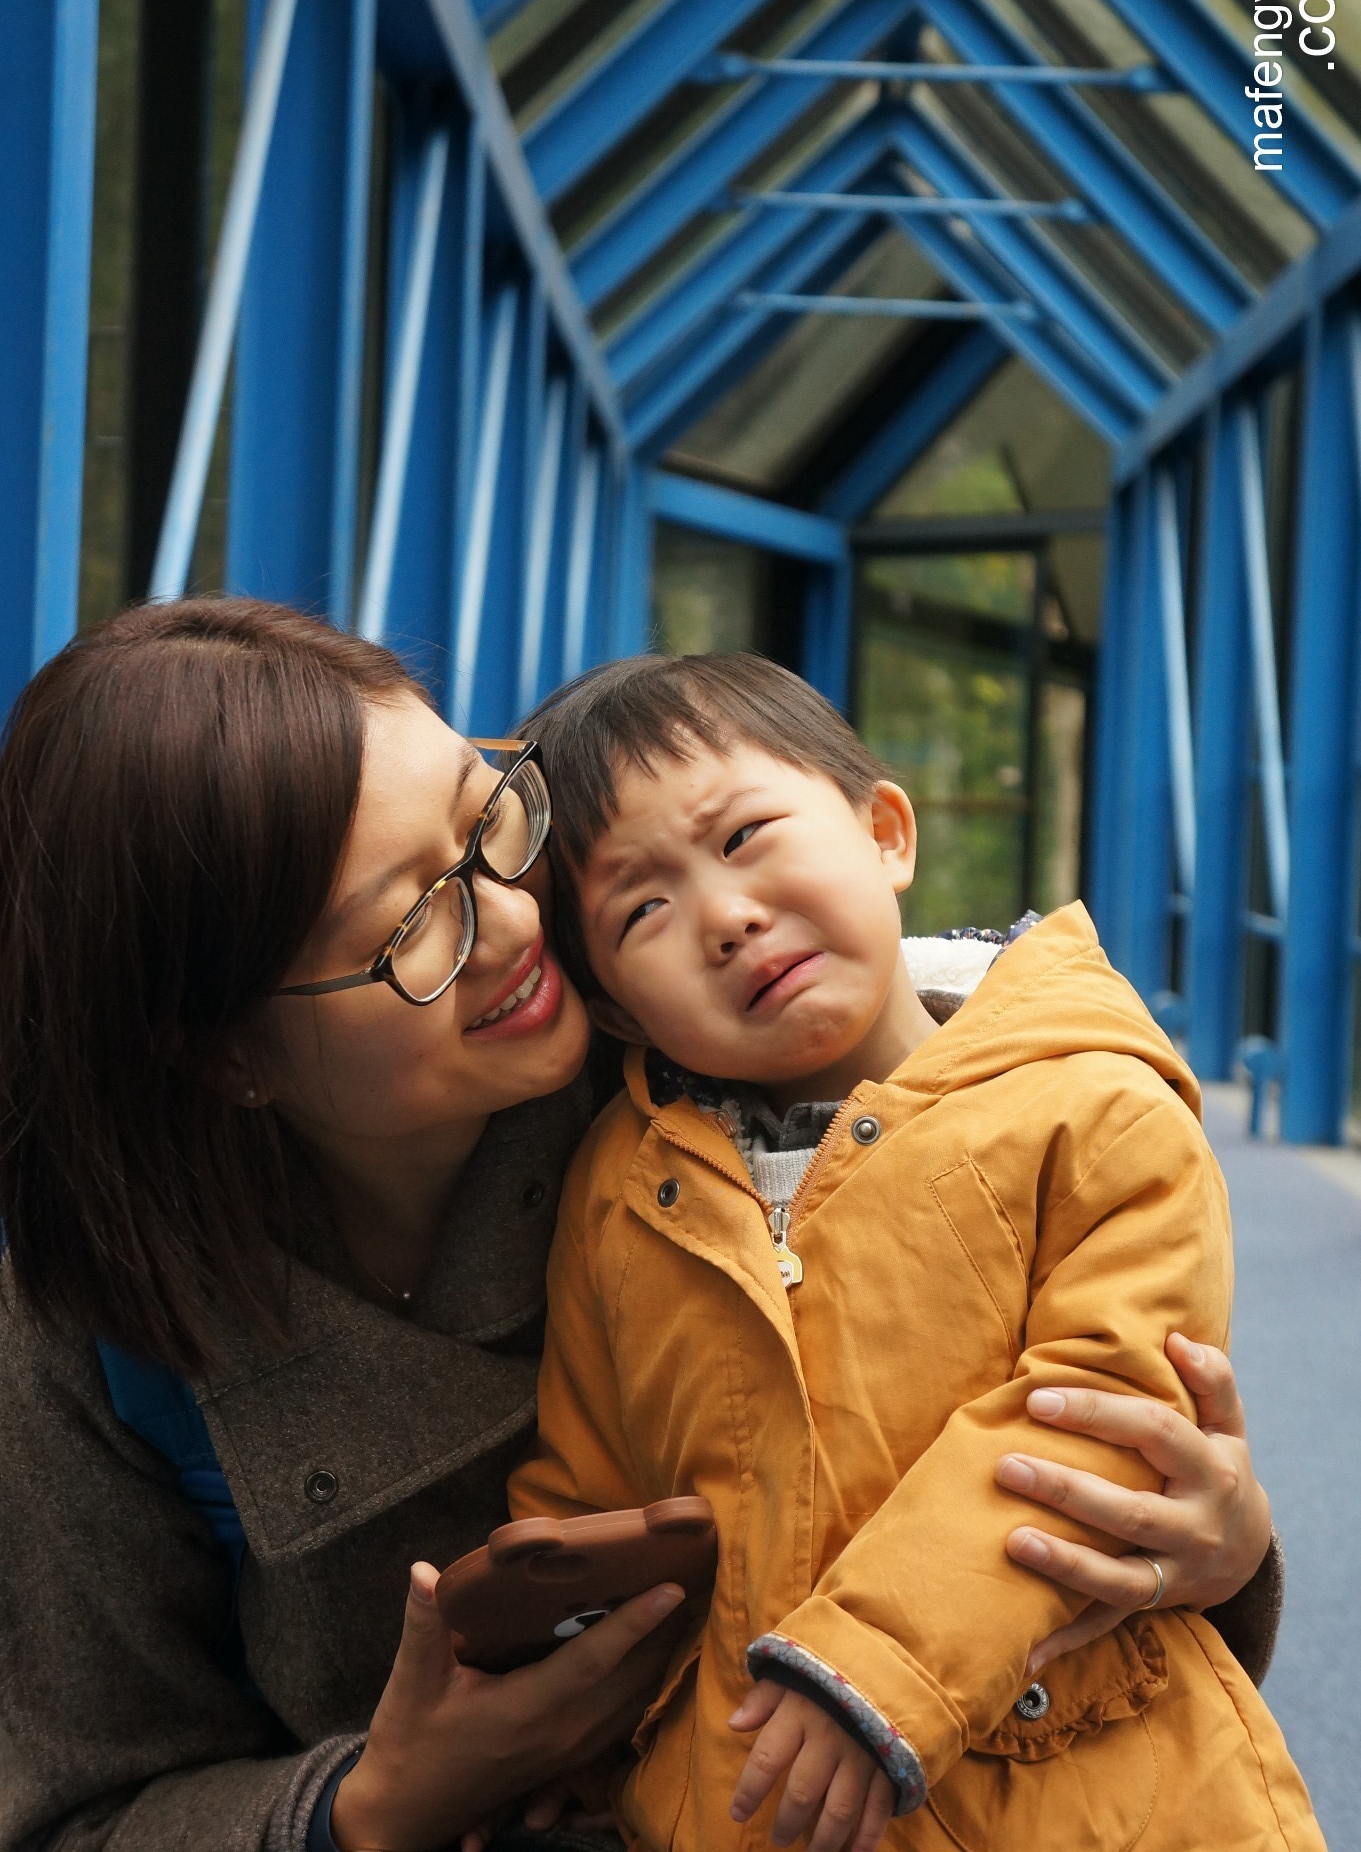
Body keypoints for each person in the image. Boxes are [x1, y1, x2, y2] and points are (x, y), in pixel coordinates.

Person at [0, 600, 1278, 1852]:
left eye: (483, 818)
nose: (514, 924)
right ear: (229, 1058)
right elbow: (81, 1803)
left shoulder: (710, 1077)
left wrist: (1211, 1551)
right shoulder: (98, 1330)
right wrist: (374, 1805)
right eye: (410, 927)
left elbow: (1014, 1395)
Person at [507, 650, 1320, 1852]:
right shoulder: (624, 1188)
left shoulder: (1086, 1103)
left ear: (884, 831)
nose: (724, 917)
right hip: (752, 1800)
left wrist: (872, 1662)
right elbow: (591, 1486)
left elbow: (1093, 1411)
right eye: (642, 907)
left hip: (1088, 1782)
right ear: (619, 1007)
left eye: (741, 838)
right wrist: (553, 1729)